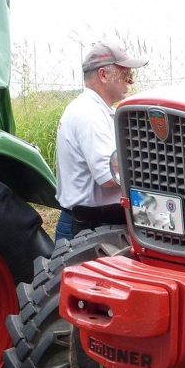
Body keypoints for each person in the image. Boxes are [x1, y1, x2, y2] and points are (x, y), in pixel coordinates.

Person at [53, 41, 148, 241]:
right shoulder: (90, 114)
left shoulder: (94, 110)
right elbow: (109, 177)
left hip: (90, 222)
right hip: (90, 228)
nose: (130, 81)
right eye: (126, 74)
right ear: (104, 75)